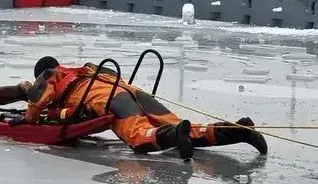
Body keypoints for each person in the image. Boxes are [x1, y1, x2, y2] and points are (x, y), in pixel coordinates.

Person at [24, 56, 268, 160]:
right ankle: (238, 130)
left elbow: (36, 103)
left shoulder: (49, 76)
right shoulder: (85, 70)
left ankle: (174, 136)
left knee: (140, 137)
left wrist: (29, 118)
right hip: (134, 93)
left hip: (111, 101)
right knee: (180, 124)